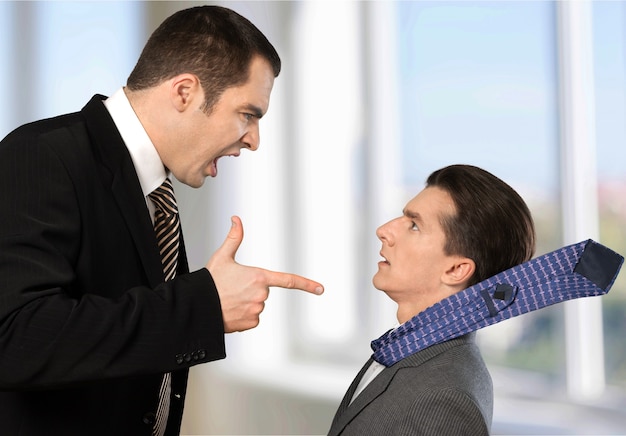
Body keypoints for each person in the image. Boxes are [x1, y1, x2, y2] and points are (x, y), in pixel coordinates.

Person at [0, 5, 323, 436]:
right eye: (248, 114)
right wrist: (203, 304)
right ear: (185, 92)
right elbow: (16, 339)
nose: (254, 140)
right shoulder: (41, 155)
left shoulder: (156, 191)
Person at [328, 164, 535, 436]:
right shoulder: (404, 352)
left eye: (414, 225)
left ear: (456, 270)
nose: (383, 230)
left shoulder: (444, 399)